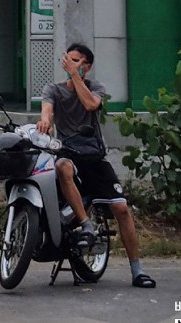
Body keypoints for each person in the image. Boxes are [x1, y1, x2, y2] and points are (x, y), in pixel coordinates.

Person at [37, 42, 156, 289]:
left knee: (122, 209)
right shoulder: (54, 90)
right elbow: (46, 111)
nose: (69, 63)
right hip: (68, 152)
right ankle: (85, 224)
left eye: (76, 60)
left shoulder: (95, 87)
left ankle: (137, 270)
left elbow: (91, 105)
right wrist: (44, 122)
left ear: (87, 67)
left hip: (93, 156)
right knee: (62, 168)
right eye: (67, 59)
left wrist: (75, 77)